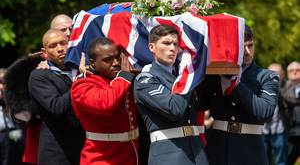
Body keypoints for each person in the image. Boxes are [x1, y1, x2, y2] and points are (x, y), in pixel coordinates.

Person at [196, 24, 279, 165]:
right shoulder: (216, 75)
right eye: (242, 47)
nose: (248, 52)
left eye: (250, 45)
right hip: (218, 149)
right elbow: (198, 105)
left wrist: (234, 82)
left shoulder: (267, 76)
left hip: (250, 152)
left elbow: (264, 112)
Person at [134, 24, 208, 165]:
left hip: (197, 152)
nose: (173, 48)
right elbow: (175, 109)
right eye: (166, 43)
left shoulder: (183, 77)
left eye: (175, 44)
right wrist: (185, 76)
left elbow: (204, 103)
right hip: (169, 154)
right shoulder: (145, 79)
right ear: (152, 47)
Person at [71, 37, 139, 165]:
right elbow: (106, 104)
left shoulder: (121, 80)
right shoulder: (82, 85)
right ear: (93, 62)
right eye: (108, 60)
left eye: (118, 57)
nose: (116, 63)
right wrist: (124, 77)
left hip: (131, 154)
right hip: (101, 158)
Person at [28, 29, 85, 165]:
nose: (60, 49)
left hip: (85, 148)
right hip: (56, 151)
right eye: (53, 46)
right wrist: (82, 80)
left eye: (63, 43)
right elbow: (57, 107)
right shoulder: (39, 75)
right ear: (44, 52)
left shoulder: (80, 69)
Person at [263, 63, 296, 165]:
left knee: (281, 161)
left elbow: (292, 100)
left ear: (282, 74)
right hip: (265, 129)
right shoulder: (263, 85)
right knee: (263, 159)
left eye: (277, 74)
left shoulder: (287, 84)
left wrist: (278, 90)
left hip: (280, 129)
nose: (274, 77)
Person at [287, 61, 300, 165]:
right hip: (288, 130)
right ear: (287, 74)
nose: (295, 72)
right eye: (292, 70)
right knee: (288, 159)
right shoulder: (283, 88)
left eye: (298, 70)